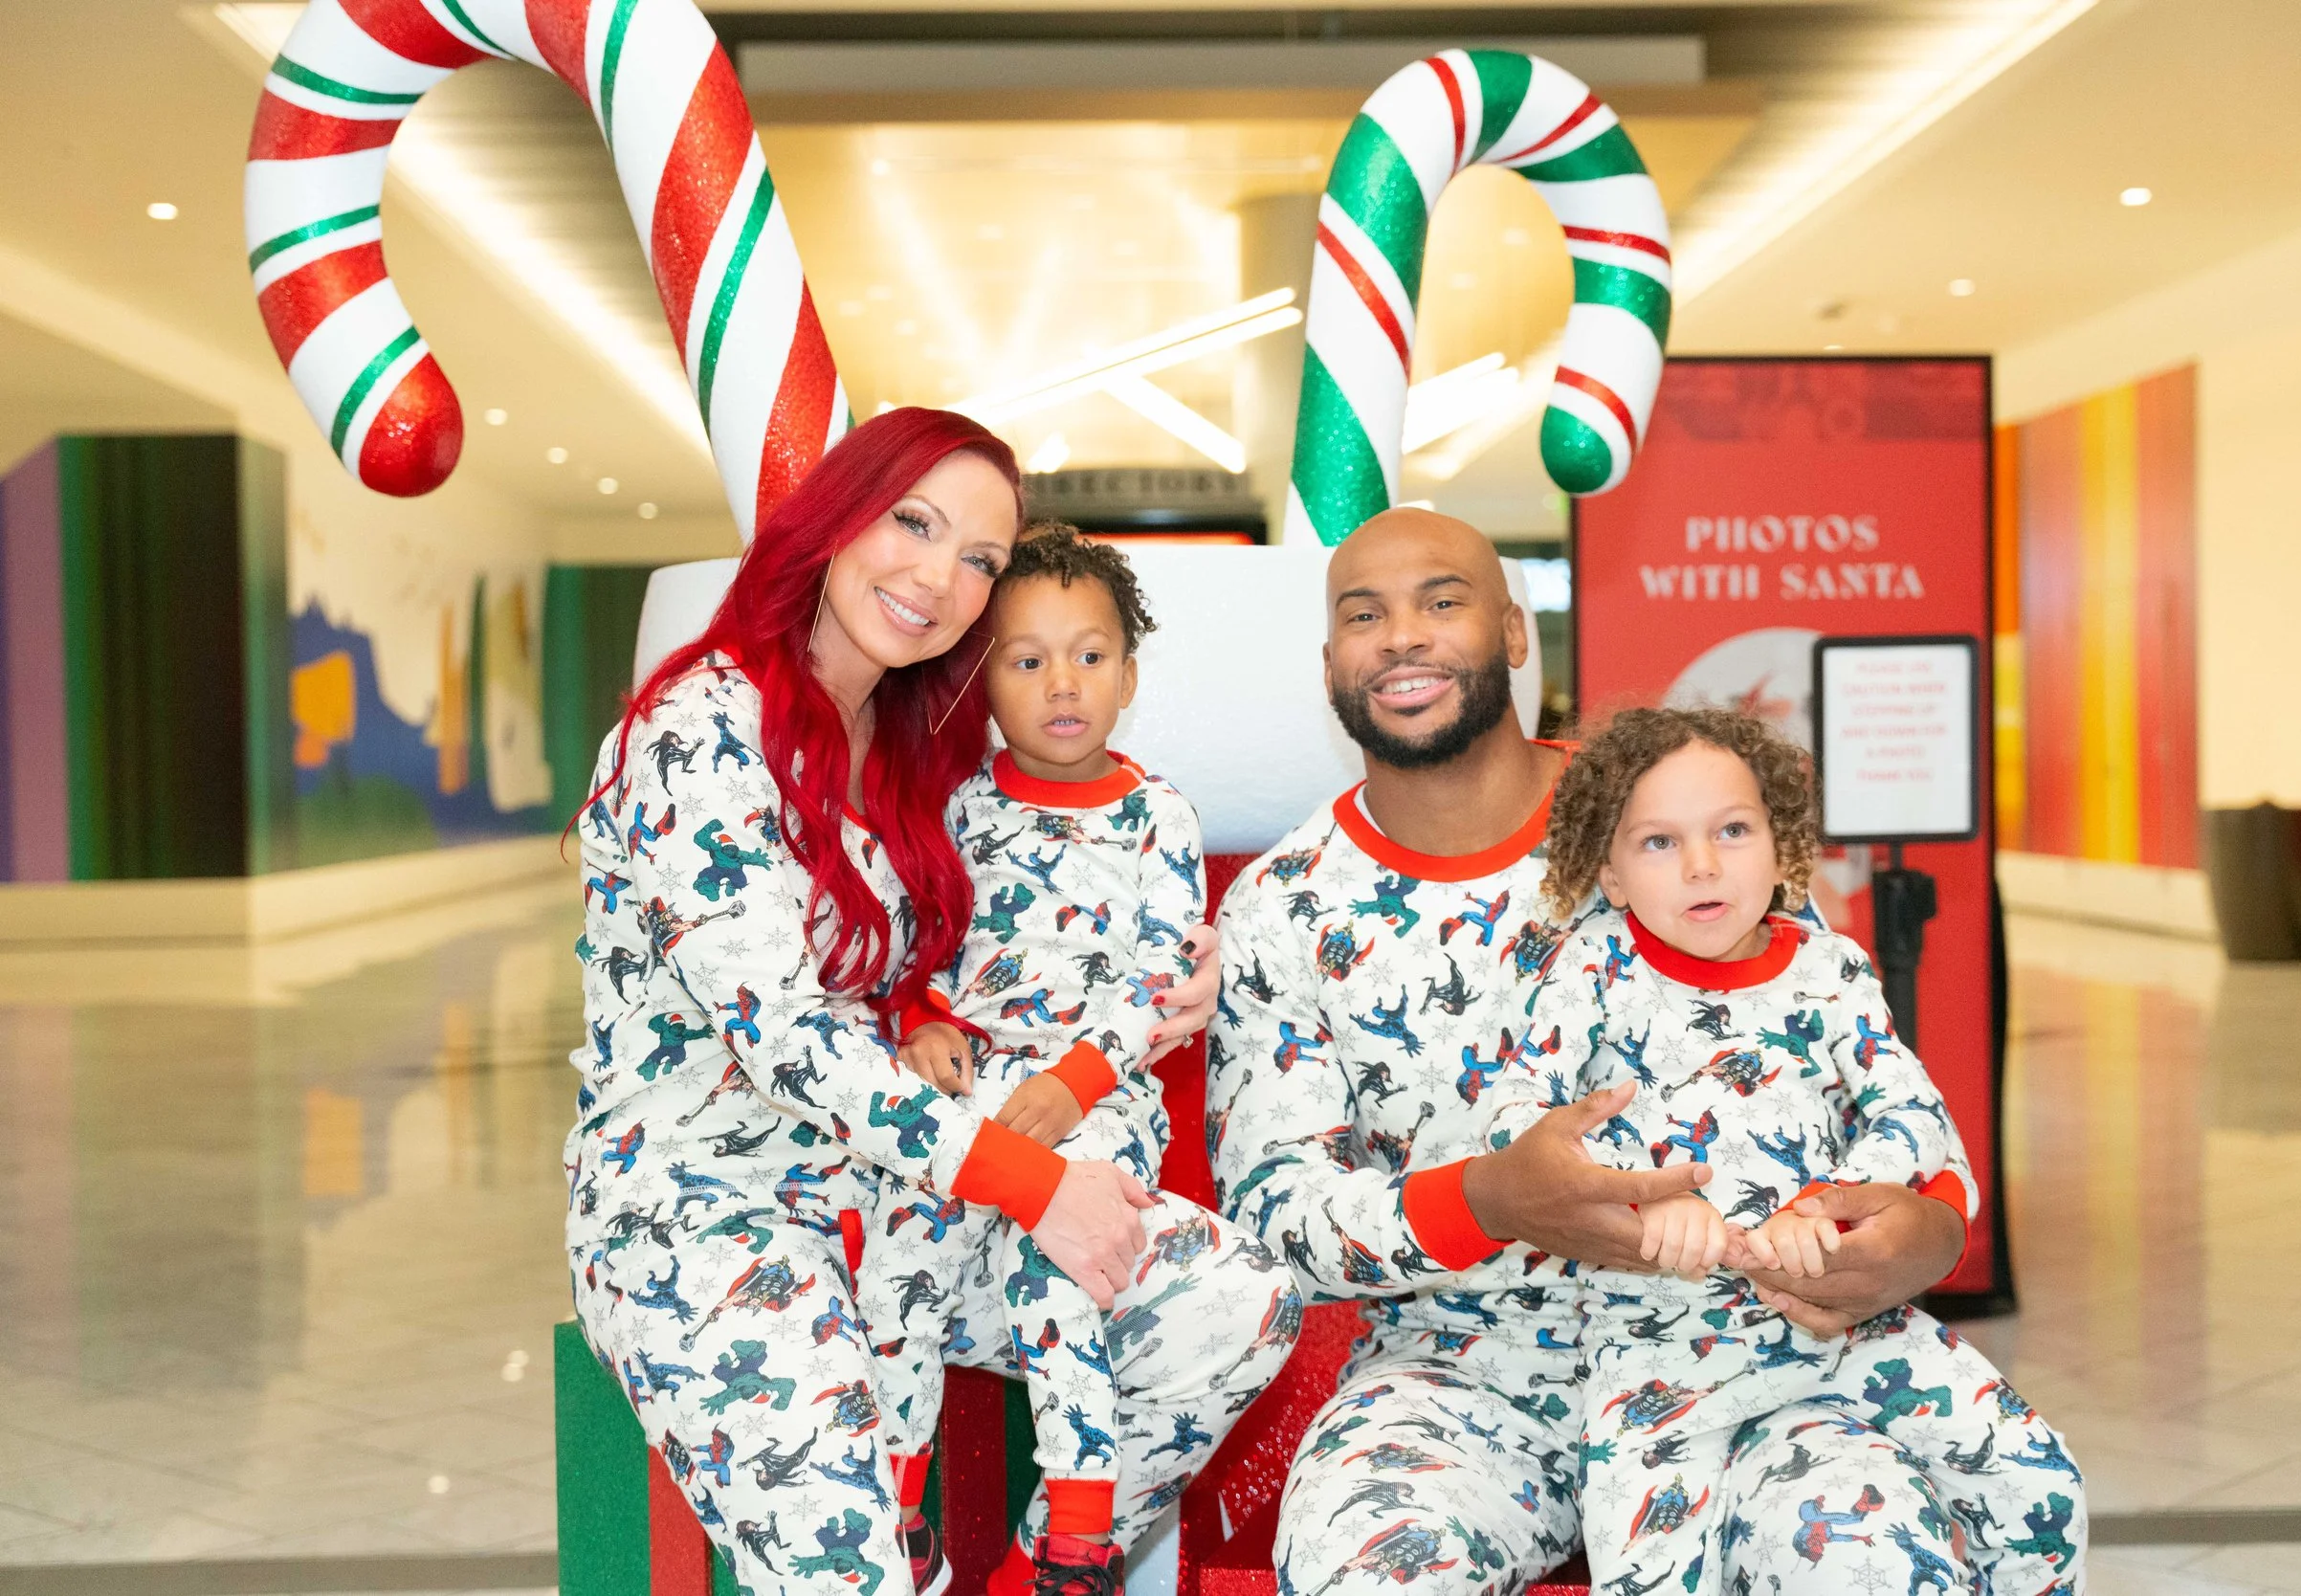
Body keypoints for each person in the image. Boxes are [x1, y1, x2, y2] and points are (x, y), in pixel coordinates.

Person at [564, 410, 1294, 1596]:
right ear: (836, 516)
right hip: (705, 1207)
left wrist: (1195, 971)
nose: (938, 577)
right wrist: (1033, 1178)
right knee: (854, 1573)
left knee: (1237, 1302)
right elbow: (783, 1038)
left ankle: (1040, 1568)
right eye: (914, 522)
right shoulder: (700, 728)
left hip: (908, 1185)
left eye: (980, 560)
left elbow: (1034, 931)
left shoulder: (916, 741)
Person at [1207, 507, 1982, 1596]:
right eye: (1363, 616)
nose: (1402, 637)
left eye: (1442, 601)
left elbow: (1857, 1070)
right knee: (1363, 1569)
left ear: (1514, 633)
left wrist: (1926, 1236)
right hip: (1456, 1379)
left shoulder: (1685, 815)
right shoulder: (1283, 909)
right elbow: (1275, 1217)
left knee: (1874, 1561)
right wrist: (1487, 1199)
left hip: (1756, 1357)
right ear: (1331, 663)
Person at [1476, 706, 2080, 1595]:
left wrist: (1840, 1204)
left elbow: (1911, 1110)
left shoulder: (1829, 971)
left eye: (1732, 829)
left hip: (1847, 1325)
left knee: (2039, 1480)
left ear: (1782, 845)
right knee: (1649, 1574)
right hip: (1663, 1354)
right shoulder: (1582, 975)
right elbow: (1515, 1127)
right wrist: (1640, 1204)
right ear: (1606, 869)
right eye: (1658, 842)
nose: (1702, 865)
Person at [861, 526, 1230, 1595]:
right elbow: (922, 947)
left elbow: (1164, 985)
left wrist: (1070, 1087)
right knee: (903, 1242)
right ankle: (894, 1490)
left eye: (1088, 656)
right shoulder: (958, 809)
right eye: (1026, 661)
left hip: (1097, 1090)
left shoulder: (1157, 816)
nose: (1060, 684)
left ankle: (1077, 1524)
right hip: (971, 1083)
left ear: (1126, 675)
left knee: (1061, 1261)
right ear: (980, 683)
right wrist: (925, 1019)